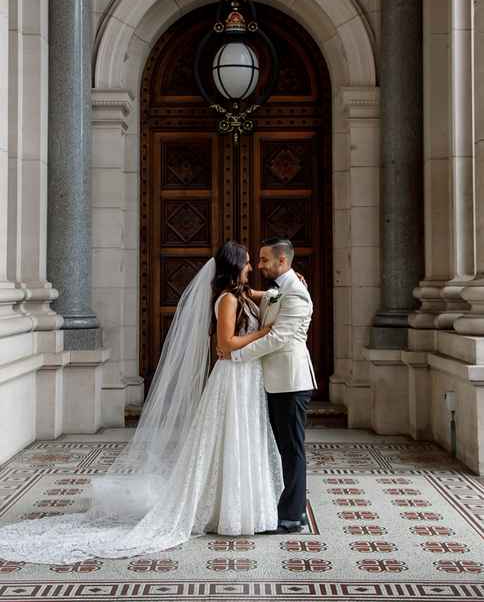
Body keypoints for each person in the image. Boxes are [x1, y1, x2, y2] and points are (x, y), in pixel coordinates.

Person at [0, 242, 283, 563]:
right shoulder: (228, 299)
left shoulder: (244, 295)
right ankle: (223, 510)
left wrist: (288, 285)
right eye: (246, 263)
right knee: (226, 440)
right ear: (235, 267)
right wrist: (265, 333)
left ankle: (241, 508)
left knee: (242, 439)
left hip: (246, 379)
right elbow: (227, 344)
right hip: (231, 379)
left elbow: (270, 296)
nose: (250, 267)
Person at [218, 237, 316, 534]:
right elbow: (252, 294)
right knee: (283, 446)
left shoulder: (295, 293)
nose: (257, 266)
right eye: (253, 261)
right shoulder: (280, 289)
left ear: (282, 261)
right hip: (273, 381)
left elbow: (276, 338)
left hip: (290, 380)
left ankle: (291, 516)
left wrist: (235, 354)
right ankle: (288, 508)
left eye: (263, 260)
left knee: (292, 449)